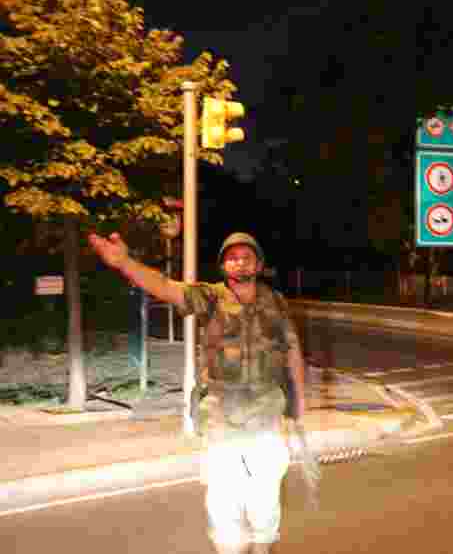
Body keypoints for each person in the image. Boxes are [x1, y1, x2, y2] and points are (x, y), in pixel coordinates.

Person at [88, 231, 304, 554]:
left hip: (266, 418)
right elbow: (165, 286)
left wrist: (299, 409)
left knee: (266, 499)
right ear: (223, 265)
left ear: (259, 264)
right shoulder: (211, 297)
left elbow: (292, 351)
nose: (239, 261)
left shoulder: (277, 303)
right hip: (222, 418)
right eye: (232, 256)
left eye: (247, 256)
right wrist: (125, 263)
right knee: (223, 500)